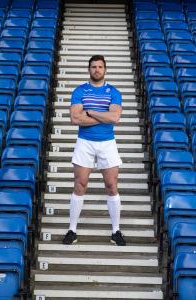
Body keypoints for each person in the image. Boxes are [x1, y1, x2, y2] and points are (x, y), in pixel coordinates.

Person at [62, 55, 126, 246]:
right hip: (85, 142)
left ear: (105, 69)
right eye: (93, 67)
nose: (97, 70)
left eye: (100, 67)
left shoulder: (113, 92)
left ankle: (116, 231)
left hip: (107, 143)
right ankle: (72, 230)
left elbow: (115, 118)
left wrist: (90, 112)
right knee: (80, 185)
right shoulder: (80, 91)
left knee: (112, 185)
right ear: (88, 69)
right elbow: (75, 119)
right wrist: (103, 116)